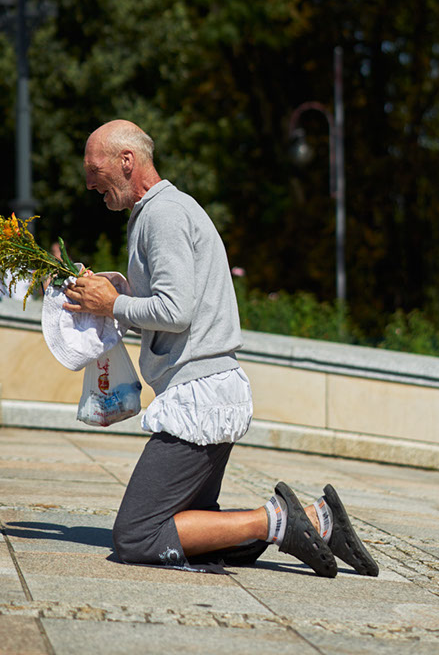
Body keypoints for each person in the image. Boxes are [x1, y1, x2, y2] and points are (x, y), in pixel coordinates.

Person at [63, 120, 378, 577]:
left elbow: (175, 311)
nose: (88, 181)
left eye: (93, 168)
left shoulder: (161, 214)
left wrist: (114, 304)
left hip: (199, 397)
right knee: (201, 534)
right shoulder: (165, 209)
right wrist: (118, 293)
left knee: (138, 535)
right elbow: (173, 306)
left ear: (126, 161)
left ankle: (280, 519)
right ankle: (318, 520)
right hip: (209, 390)